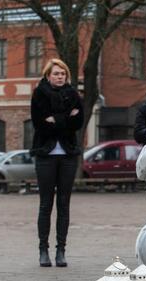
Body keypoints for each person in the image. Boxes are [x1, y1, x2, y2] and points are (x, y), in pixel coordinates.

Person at [30, 58, 84, 267]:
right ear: (47, 75)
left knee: (64, 204)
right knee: (45, 204)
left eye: (63, 74)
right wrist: (65, 119)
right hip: (45, 154)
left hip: (68, 154)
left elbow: (78, 123)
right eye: (56, 74)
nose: (60, 77)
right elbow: (40, 124)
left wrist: (55, 120)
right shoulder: (39, 94)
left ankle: (61, 250)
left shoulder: (73, 94)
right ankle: (43, 250)